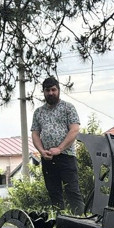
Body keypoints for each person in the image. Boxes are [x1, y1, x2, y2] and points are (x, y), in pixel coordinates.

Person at [31, 76, 85, 215]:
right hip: (47, 158)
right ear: (43, 92)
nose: (51, 93)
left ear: (58, 90)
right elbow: (35, 134)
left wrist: (59, 149)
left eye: (53, 90)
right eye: (47, 90)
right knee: (54, 193)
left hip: (66, 156)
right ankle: (60, 224)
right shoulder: (38, 112)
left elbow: (74, 130)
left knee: (73, 191)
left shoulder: (68, 108)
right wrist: (42, 151)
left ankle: (81, 222)